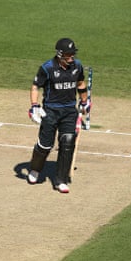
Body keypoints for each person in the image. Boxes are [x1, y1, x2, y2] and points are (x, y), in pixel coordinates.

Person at [27, 38, 90, 193]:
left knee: (68, 142)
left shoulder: (77, 66)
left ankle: (60, 180)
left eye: (73, 54)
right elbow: (36, 87)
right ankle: (35, 170)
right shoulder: (47, 68)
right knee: (45, 145)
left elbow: (81, 84)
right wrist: (34, 106)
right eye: (68, 55)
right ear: (60, 54)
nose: (72, 57)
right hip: (51, 111)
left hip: (69, 111)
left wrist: (84, 102)